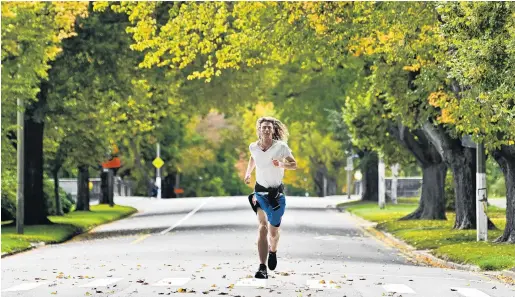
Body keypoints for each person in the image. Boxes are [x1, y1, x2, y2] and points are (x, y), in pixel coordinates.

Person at [244, 116, 297, 279]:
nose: (266, 129)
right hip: (259, 193)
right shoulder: (253, 146)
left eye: (269, 127)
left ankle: (272, 250)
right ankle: (262, 267)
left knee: (273, 233)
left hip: (276, 195)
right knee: (262, 227)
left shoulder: (281, 147)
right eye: (263, 127)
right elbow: (253, 158)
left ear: (273, 130)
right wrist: (248, 172)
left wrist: (281, 164)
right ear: (259, 130)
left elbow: (294, 164)